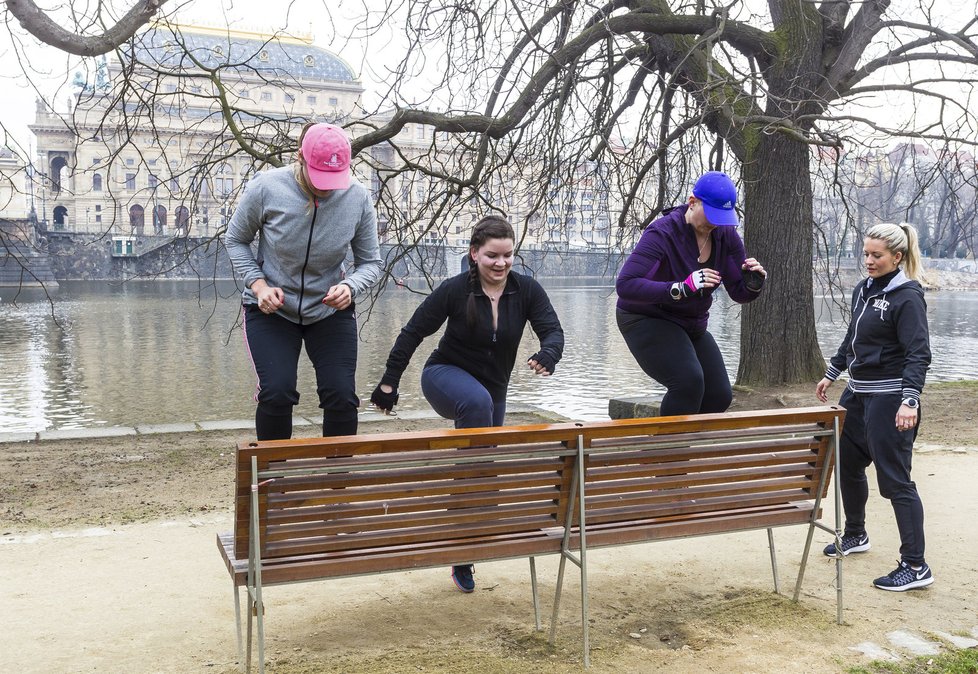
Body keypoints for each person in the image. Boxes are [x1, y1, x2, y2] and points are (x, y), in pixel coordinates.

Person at [369, 215, 564, 593]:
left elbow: (552, 330)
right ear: (475, 254)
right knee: (477, 409)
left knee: (482, 468)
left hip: (494, 391)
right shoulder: (454, 290)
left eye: (508, 255)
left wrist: (549, 353)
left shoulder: (527, 291)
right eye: (492, 255)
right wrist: (389, 383)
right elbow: (413, 332)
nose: (501, 263)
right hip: (444, 375)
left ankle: (463, 554)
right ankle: (461, 529)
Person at [224, 122, 382, 440]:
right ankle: (274, 483)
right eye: (320, 178)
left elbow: (371, 263)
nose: (326, 189)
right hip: (272, 309)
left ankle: (336, 484)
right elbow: (235, 239)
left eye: (334, 180)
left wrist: (350, 286)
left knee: (341, 396)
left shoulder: (358, 197)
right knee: (277, 391)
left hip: (328, 310)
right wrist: (259, 286)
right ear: (300, 158)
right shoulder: (265, 187)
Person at [816, 222, 933, 591]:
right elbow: (853, 335)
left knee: (895, 481)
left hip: (890, 399)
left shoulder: (907, 296)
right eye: (866, 253)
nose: (868, 261)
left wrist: (909, 400)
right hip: (858, 395)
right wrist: (832, 371)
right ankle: (855, 534)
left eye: (876, 255)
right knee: (848, 465)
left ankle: (916, 566)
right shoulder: (863, 290)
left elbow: (919, 354)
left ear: (897, 257)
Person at [615, 171, 766, 416]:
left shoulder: (725, 234)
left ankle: (685, 445)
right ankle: (668, 452)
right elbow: (626, 284)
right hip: (645, 317)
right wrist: (680, 287)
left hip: (690, 323)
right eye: (711, 215)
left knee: (719, 394)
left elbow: (739, 292)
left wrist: (753, 283)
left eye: (722, 217)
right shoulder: (663, 233)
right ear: (692, 202)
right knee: (688, 382)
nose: (714, 223)